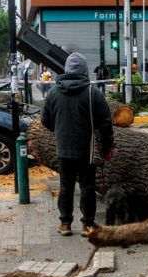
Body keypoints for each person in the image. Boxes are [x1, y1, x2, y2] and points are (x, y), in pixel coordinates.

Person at [42, 53, 114, 237]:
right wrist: (108, 147)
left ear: (66, 69)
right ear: (84, 71)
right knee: (87, 187)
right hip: (86, 150)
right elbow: (106, 123)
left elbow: (45, 120)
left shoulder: (53, 93)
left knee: (66, 186)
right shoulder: (93, 93)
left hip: (63, 149)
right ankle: (88, 225)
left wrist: (58, 131)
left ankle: (65, 223)